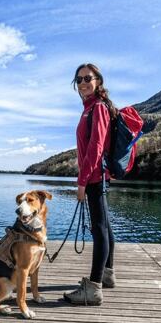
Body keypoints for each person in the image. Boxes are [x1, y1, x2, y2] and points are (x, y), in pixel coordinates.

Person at [64, 63, 117, 305]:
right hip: (97, 176)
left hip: (94, 177)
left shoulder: (97, 108)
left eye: (88, 78)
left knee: (99, 230)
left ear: (98, 80)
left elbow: (95, 147)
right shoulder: (90, 108)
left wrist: (82, 182)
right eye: (79, 79)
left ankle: (94, 288)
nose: (83, 82)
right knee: (104, 227)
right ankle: (107, 275)